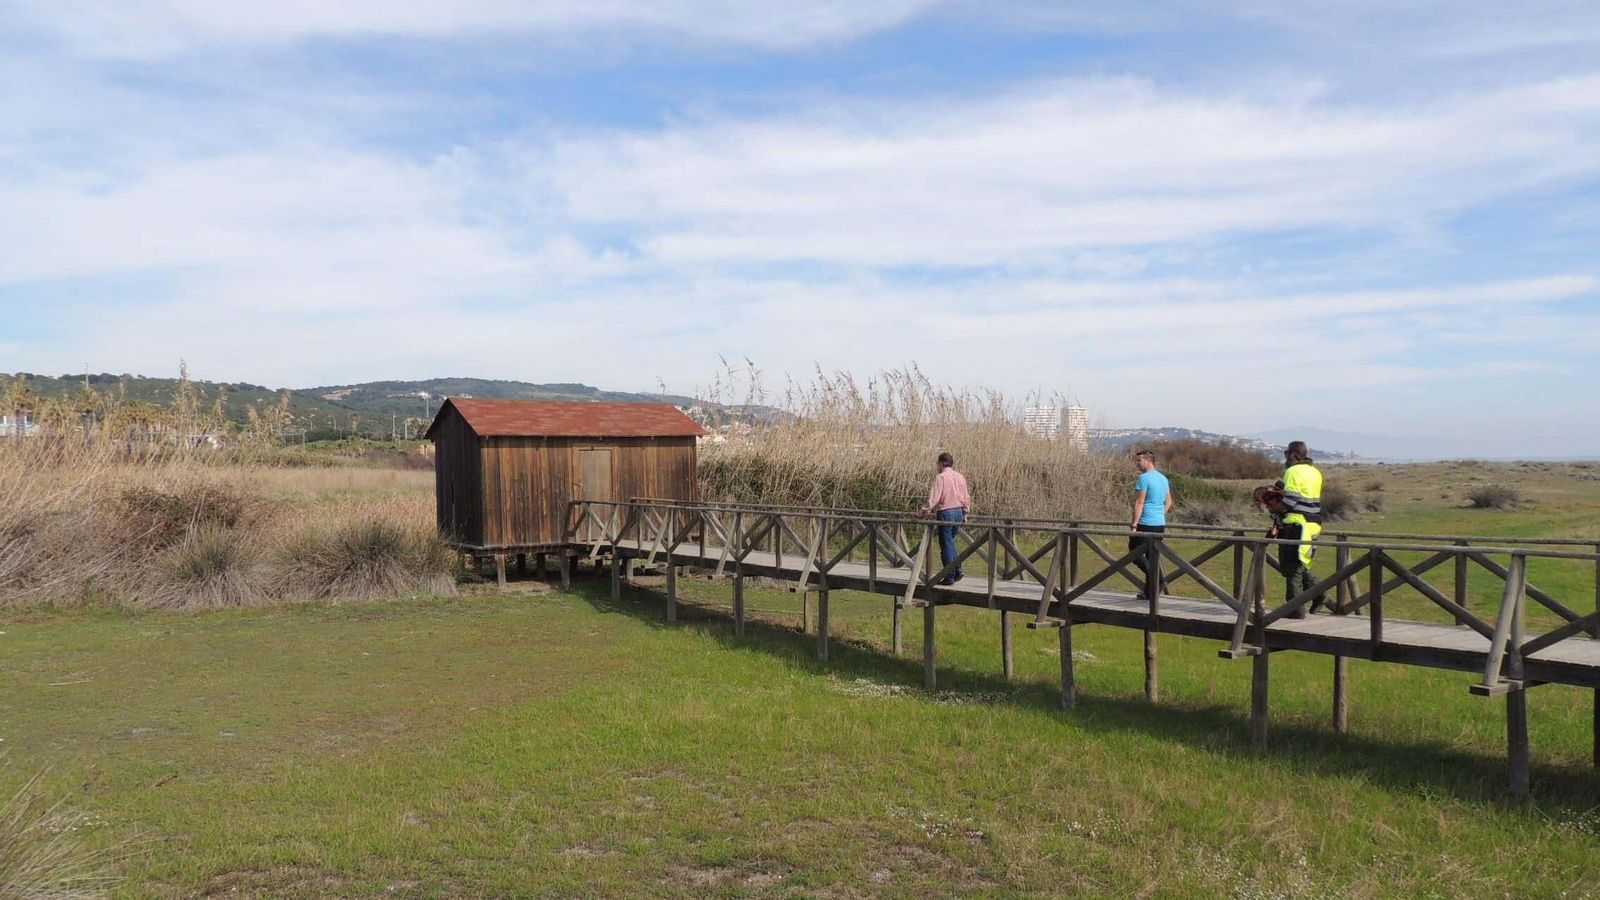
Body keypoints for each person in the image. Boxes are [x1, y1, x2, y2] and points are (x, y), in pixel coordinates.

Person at [1272, 440, 1324, 606]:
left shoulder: (1293, 471)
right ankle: (1319, 594)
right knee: (1300, 564)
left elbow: (1292, 499)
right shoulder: (1315, 472)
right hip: (1313, 523)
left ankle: (1294, 608)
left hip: (1297, 523)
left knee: (1292, 566)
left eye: (1286, 454)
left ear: (1294, 455)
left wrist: (1276, 507)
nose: (1285, 458)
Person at [919, 451, 971, 585]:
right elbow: (966, 496)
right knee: (950, 542)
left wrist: (924, 511)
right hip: (958, 512)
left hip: (946, 512)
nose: (937, 466)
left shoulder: (941, 477)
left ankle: (950, 575)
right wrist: (965, 513)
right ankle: (958, 569)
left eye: (937, 463)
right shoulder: (960, 477)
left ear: (941, 463)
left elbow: (935, 498)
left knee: (946, 544)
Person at [1129, 450, 1172, 562]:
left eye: (1139, 460)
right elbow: (1169, 502)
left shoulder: (1144, 478)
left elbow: (1140, 502)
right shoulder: (1163, 478)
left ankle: (1161, 580)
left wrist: (1134, 525)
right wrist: (1159, 514)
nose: (1137, 463)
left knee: (1134, 554)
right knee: (1152, 558)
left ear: (1148, 461)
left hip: (1145, 523)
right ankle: (1156, 580)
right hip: (1160, 524)